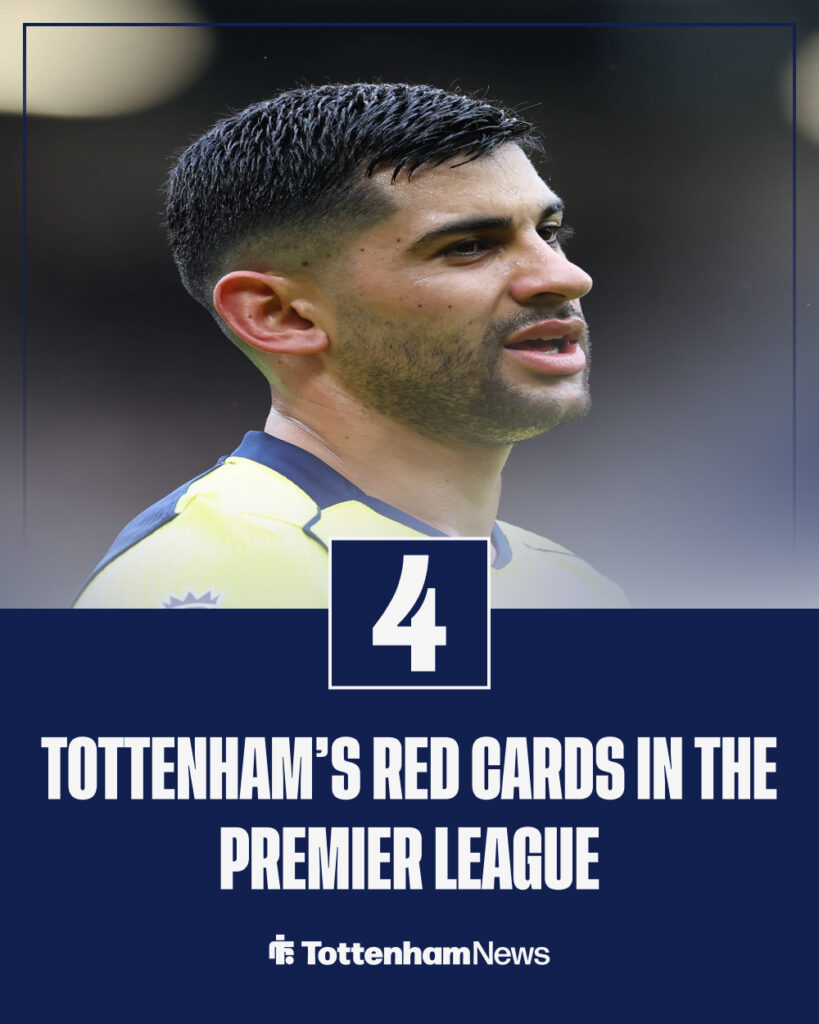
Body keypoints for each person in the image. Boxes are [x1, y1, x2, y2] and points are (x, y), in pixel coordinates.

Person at [74, 82, 626, 609]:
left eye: (549, 233)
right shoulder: (209, 574)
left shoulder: (573, 587)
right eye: (470, 246)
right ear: (279, 314)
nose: (567, 277)